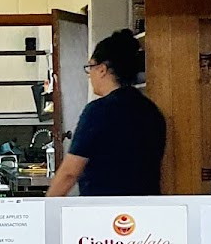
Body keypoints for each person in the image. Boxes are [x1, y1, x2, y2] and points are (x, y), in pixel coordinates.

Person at [46, 29, 166, 197]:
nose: (89, 75)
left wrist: (47, 206)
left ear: (102, 69)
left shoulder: (98, 111)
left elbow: (69, 173)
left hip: (104, 207)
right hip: (146, 206)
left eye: (90, 67)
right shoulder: (151, 110)